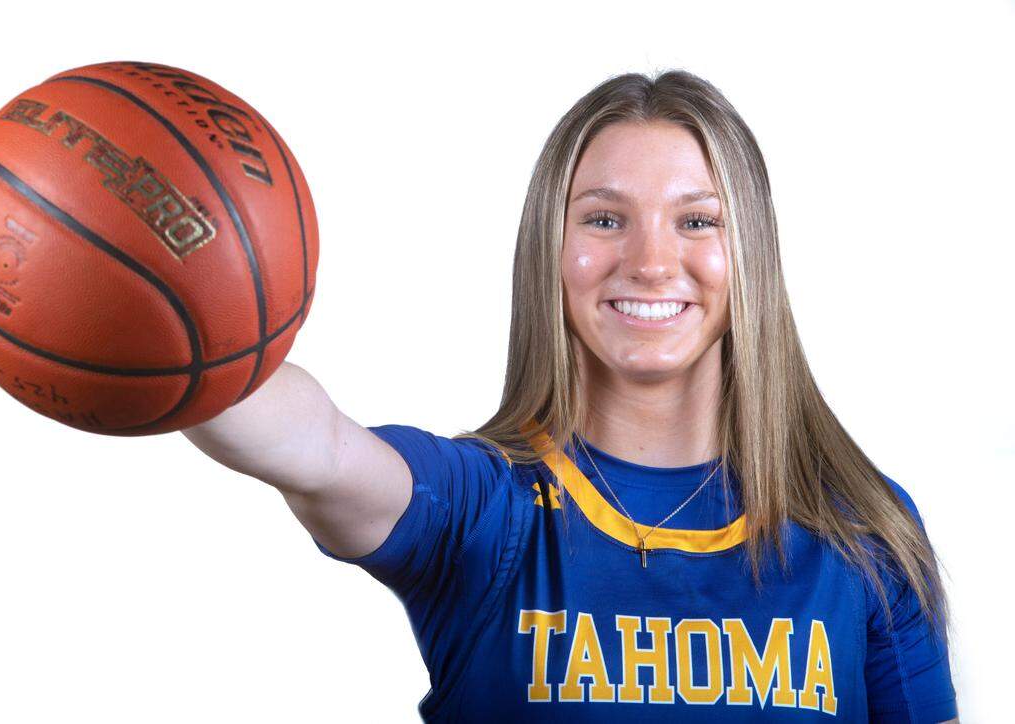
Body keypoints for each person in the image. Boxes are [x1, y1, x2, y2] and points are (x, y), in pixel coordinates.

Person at [181, 70, 958, 722]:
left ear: (750, 253)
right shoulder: (487, 510)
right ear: (550, 249)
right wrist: (154, 322)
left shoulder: (861, 529)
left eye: (696, 220)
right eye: (605, 218)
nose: (652, 261)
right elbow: (313, 448)